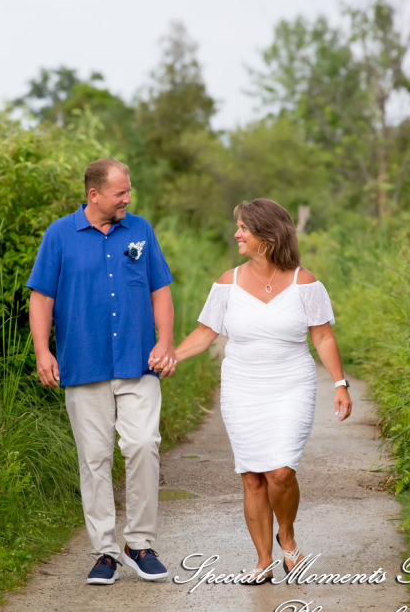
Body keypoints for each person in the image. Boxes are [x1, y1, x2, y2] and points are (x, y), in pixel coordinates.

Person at [168, 198, 352, 584]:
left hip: (291, 384)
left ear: (267, 236)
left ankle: (287, 536)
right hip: (242, 386)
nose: (236, 234)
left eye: (243, 228)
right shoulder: (227, 282)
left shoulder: (305, 282)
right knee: (252, 475)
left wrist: (340, 383)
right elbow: (205, 333)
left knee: (280, 471)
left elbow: (322, 336)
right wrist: (169, 357)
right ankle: (264, 560)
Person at [26, 158, 176, 585]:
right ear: (94, 195)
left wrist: (165, 342)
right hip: (83, 361)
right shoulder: (59, 235)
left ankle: (140, 544)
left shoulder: (140, 230)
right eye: (120, 193)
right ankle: (105, 551)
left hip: (138, 360)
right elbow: (41, 298)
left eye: (128, 191)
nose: (127, 198)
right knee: (94, 460)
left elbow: (159, 289)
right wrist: (43, 351)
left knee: (143, 444)